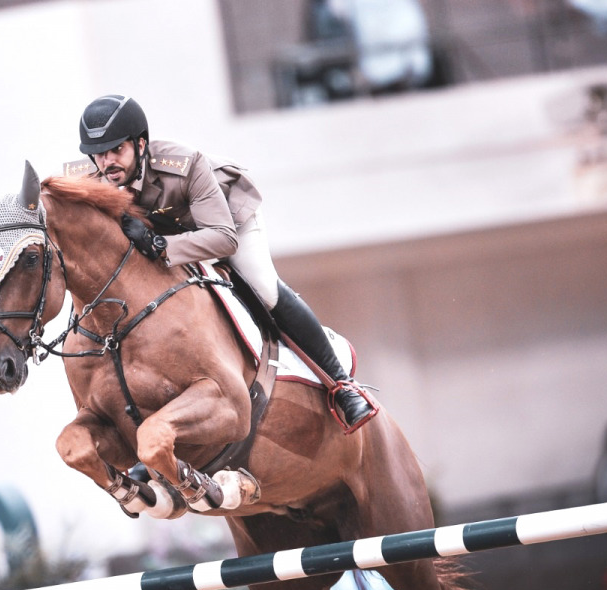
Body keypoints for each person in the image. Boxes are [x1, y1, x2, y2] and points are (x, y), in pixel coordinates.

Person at [68, 94, 378, 432]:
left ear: (140, 144)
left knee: (262, 287)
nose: (108, 161)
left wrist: (159, 245)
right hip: (174, 235)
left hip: (228, 219)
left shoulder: (184, 165)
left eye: (117, 150)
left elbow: (222, 239)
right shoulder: (89, 181)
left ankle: (342, 384)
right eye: (99, 154)